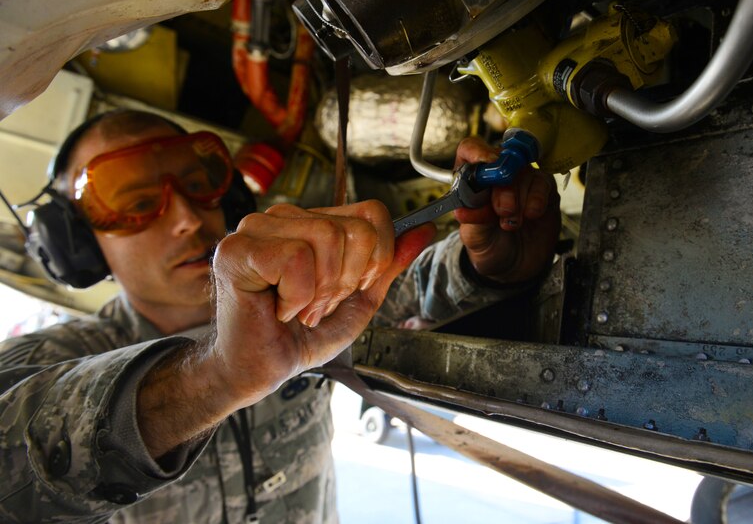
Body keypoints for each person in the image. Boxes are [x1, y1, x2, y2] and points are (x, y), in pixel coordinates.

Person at [0, 109, 560, 523]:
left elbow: (404, 289)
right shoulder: (51, 359)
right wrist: (213, 379)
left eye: (199, 184)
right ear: (79, 243)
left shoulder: (297, 303)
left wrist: (487, 263)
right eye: (135, 199)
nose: (188, 219)